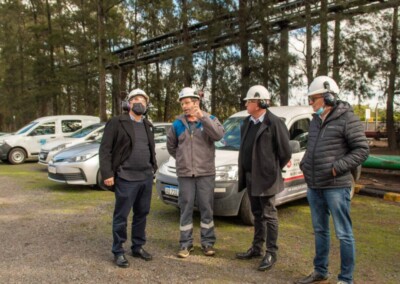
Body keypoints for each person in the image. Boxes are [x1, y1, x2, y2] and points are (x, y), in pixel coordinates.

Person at [295, 76, 369, 284]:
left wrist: (338, 168)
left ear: (328, 97)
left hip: (336, 187)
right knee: (320, 231)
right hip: (315, 185)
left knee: (344, 234)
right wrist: (305, 165)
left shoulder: (348, 119)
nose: (311, 103)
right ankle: (320, 271)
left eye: (314, 98)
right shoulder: (316, 121)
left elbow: (362, 150)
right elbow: (311, 149)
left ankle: (345, 279)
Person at [99, 88, 157, 268]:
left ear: (146, 105)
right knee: (121, 216)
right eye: (135, 99)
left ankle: (137, 246)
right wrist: (107, 173)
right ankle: (118, 251)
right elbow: (105, 149)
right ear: (128, 103)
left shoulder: (148, 124)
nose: (139, 103)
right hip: (125, 177)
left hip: (145, 177)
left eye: (142, 100)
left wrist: (152, 168)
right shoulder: (117, 122)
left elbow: (150, 148)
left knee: (142, 214)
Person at [235, 85, 292, 271]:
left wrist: (270, 169)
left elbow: (285, 152)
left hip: (267, 178)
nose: (246, 103)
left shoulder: (274, 123)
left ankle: (271, 252)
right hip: (251, 177)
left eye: (249, 101)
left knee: (269, 215)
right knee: (257, 214)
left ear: (260, 103)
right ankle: (257, 248)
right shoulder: (247, 122)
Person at [167, 87, 224, 258]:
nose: (184, 107)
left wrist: (203, 118)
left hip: (205, 173)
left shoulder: (210, 119)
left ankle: (207, 243)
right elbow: (171, 147)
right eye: (182, 103)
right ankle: (185, 245)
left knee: (206, 208)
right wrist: (183, 160)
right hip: (185, 174)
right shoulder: (177, 124)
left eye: (187, 103)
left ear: (196, 102)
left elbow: (218, 135)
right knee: (185, 209)